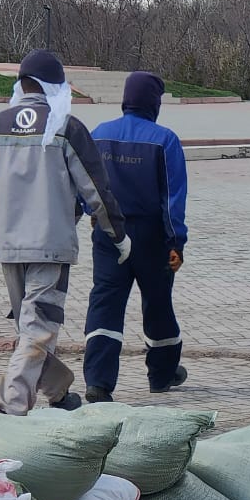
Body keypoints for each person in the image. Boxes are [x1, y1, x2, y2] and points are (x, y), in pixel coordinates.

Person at [0, 49, 130, 415]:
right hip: (51, 247)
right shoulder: (66, 127)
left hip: (9, 248)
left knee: (30, 330)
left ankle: (59, 391)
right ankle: (8, 408)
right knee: (35, 331)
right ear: (55, 87)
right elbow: (96, 188)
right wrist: (118, 234)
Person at [82, 71, 189, 402]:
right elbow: (172, 198)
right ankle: (161, 373)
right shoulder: (164, 140)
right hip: (151, 237)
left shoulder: (98, 135)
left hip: (107, 233)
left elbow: (84, 184)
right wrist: (176, 242)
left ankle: (98, 382)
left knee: (105, 301)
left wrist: (91, 215)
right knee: (157, 302)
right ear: (154, 102)